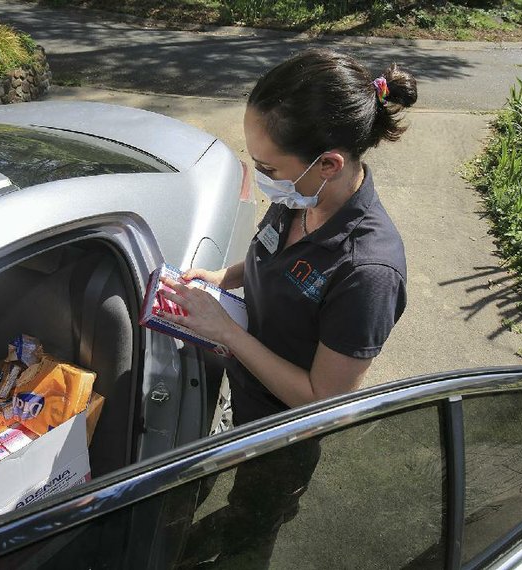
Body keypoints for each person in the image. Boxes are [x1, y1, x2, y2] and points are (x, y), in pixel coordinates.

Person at [162, 48, 417, 568]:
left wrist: (227, 334)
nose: (262, 182)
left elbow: (321, 397)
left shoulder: (367, 271)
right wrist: (220, 277)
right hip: (243, 392)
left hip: (282, 437)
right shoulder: (303, 194)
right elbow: (267, 252)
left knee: (254, 523)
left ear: (329, 164)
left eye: (268, 168)